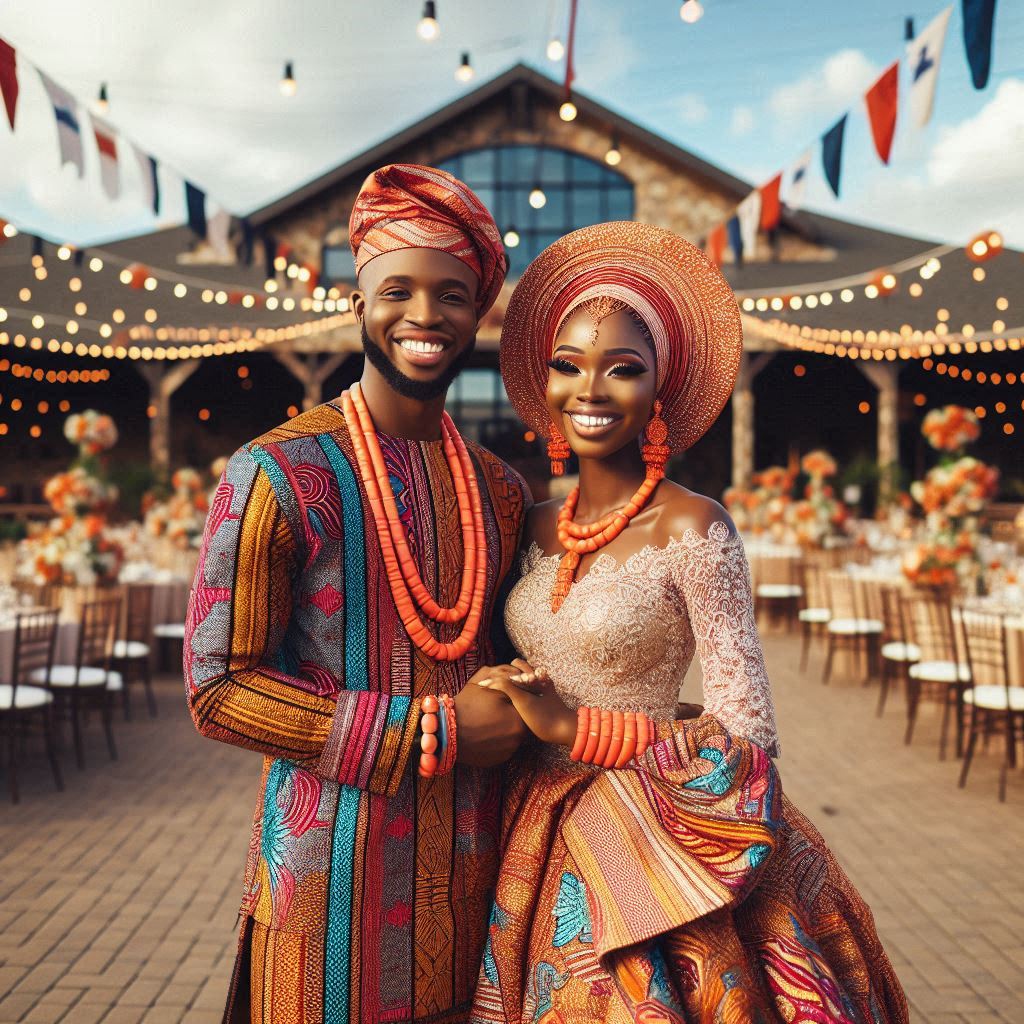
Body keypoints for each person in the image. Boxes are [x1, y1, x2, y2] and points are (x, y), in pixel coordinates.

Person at [468, 222, 908, 1023]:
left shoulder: (693, 527)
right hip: (530, 822)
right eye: (569, 366)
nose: (591, 390)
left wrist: (575, 728)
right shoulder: (528, 523)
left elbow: (749, 733)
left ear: (659, 390)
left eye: (623, 369)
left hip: (662, 825)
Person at [185, 164, 533, 1023]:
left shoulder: (499, 489)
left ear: (478, 313)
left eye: (451, 293)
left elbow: (514, 657)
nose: (425, 315)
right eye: (398, 290)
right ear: (357, 304)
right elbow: (218, 685)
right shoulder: (275, 471)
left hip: (476, 888)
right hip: (327, 896)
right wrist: (434, 729)